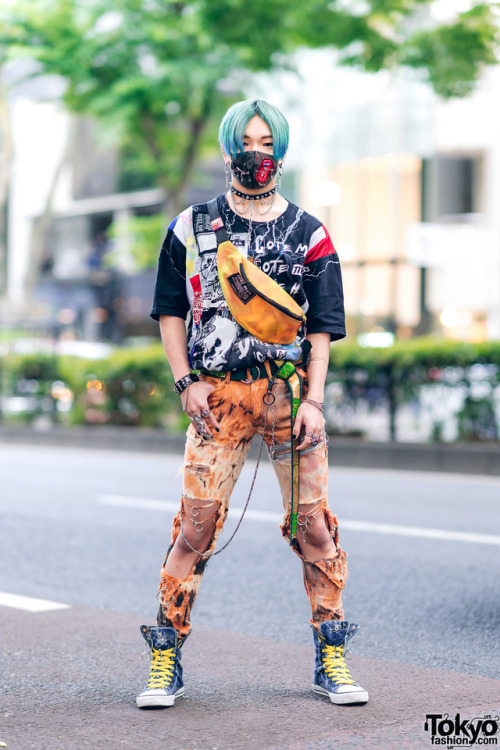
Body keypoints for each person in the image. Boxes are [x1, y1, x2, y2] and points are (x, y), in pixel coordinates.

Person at [136, 99, 368, 709]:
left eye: (267, 143)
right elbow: (169, 310)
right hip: (219, 396)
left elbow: (322, 325)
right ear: (226, 150)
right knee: (196, 524)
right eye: (247, 142)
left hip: (291, 393)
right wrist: (186, 382)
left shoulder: (309, 233)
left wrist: (315, 400)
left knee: (315, 526)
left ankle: (332, 655)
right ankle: (165, 659)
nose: (256, 153)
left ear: (282, 152)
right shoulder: (194, 226)